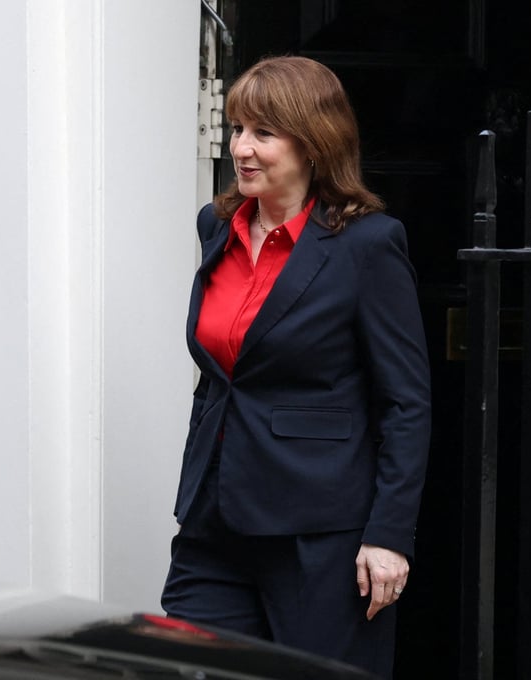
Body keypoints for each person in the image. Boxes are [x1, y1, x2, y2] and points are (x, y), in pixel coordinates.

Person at [161, 55, 430, 678]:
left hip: (321, 531)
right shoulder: (217, 226)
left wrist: (389, 534)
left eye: (264, 133)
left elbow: (406, 402)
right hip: (213, 519)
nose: (242, 149)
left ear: (313, 143)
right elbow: (220, 377)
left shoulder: (367, 244)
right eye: (236, 130)